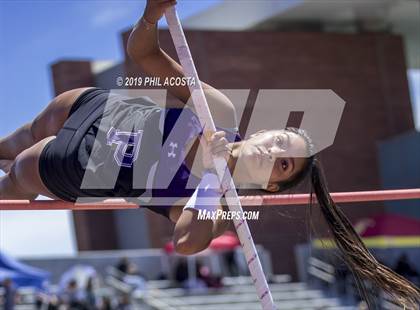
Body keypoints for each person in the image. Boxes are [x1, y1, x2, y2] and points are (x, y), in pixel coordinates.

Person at [0, 0, 419, 307]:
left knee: (14, 179)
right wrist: (152, 14)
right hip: (92, 106)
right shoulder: (218, 111)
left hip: (75, 163)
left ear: (273, 183)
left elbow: (186, 243)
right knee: (11, 142)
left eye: (283, 162)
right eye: (279, 139)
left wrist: (216, 178)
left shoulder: (218, 203)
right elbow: (144, 54)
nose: (272, 150)